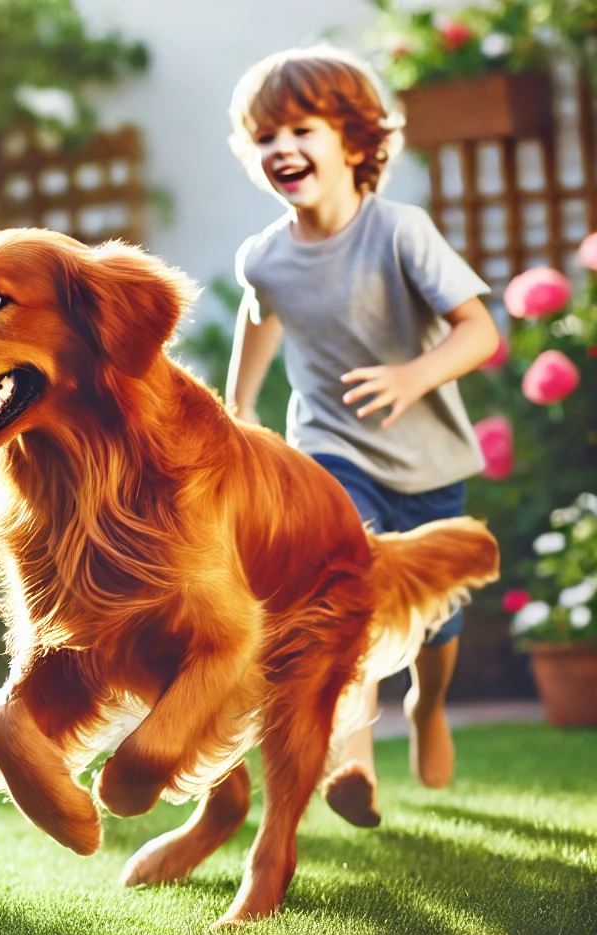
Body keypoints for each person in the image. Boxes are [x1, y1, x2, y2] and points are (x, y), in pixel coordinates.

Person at [224, 46, 500, 827]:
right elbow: (259, 313)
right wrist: (239, 403)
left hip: (428, 462)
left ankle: (430, 705)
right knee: (346, 598)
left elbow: (479, 332)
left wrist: (414, 377)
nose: (281, 147)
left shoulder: (400, 233)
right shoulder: (266, 256)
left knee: (436, 626)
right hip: (330, 451)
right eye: (264, 135)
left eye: (300, 129)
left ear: (353, 140)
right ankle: (353, 764)